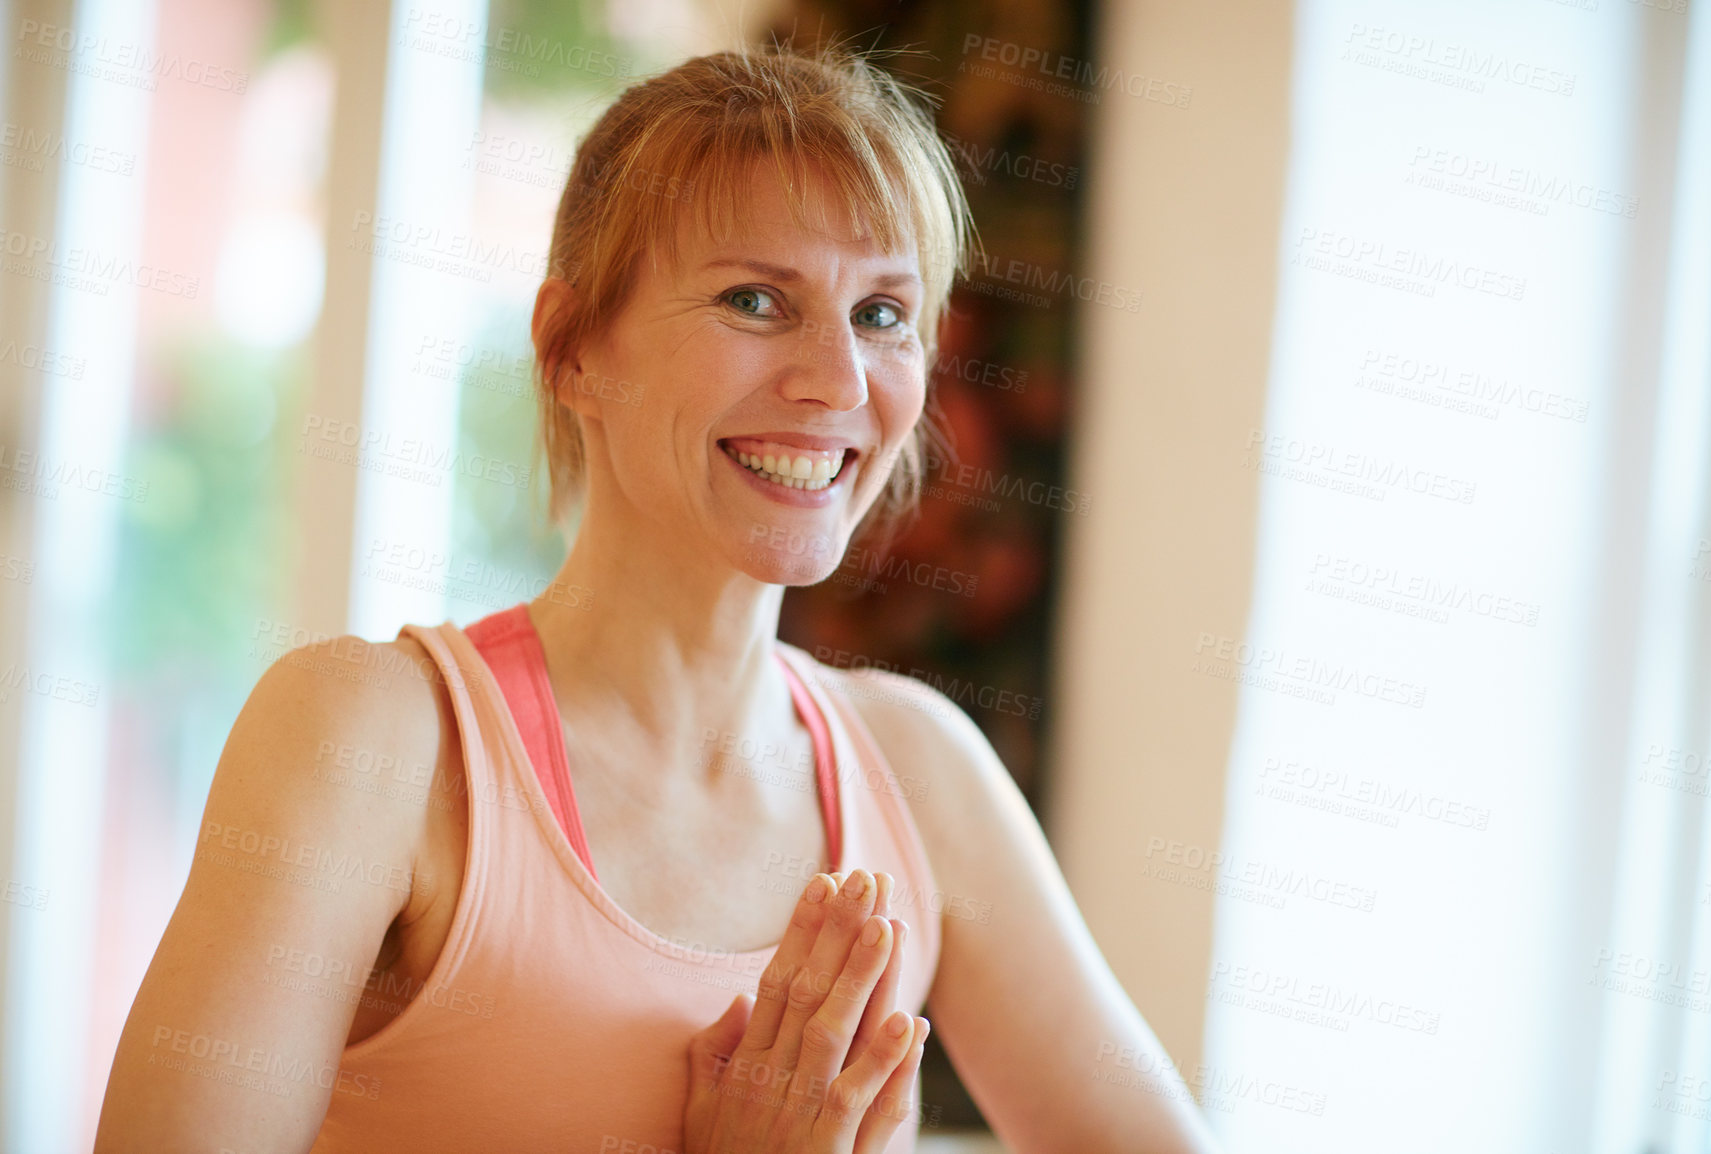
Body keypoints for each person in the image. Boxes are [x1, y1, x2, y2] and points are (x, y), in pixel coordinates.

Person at [95, 44, 1219, 1154]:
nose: (836, 378)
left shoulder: (925, 773)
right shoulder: (370, 739)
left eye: (882, 313)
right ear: (572, 350)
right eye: (754, 300)